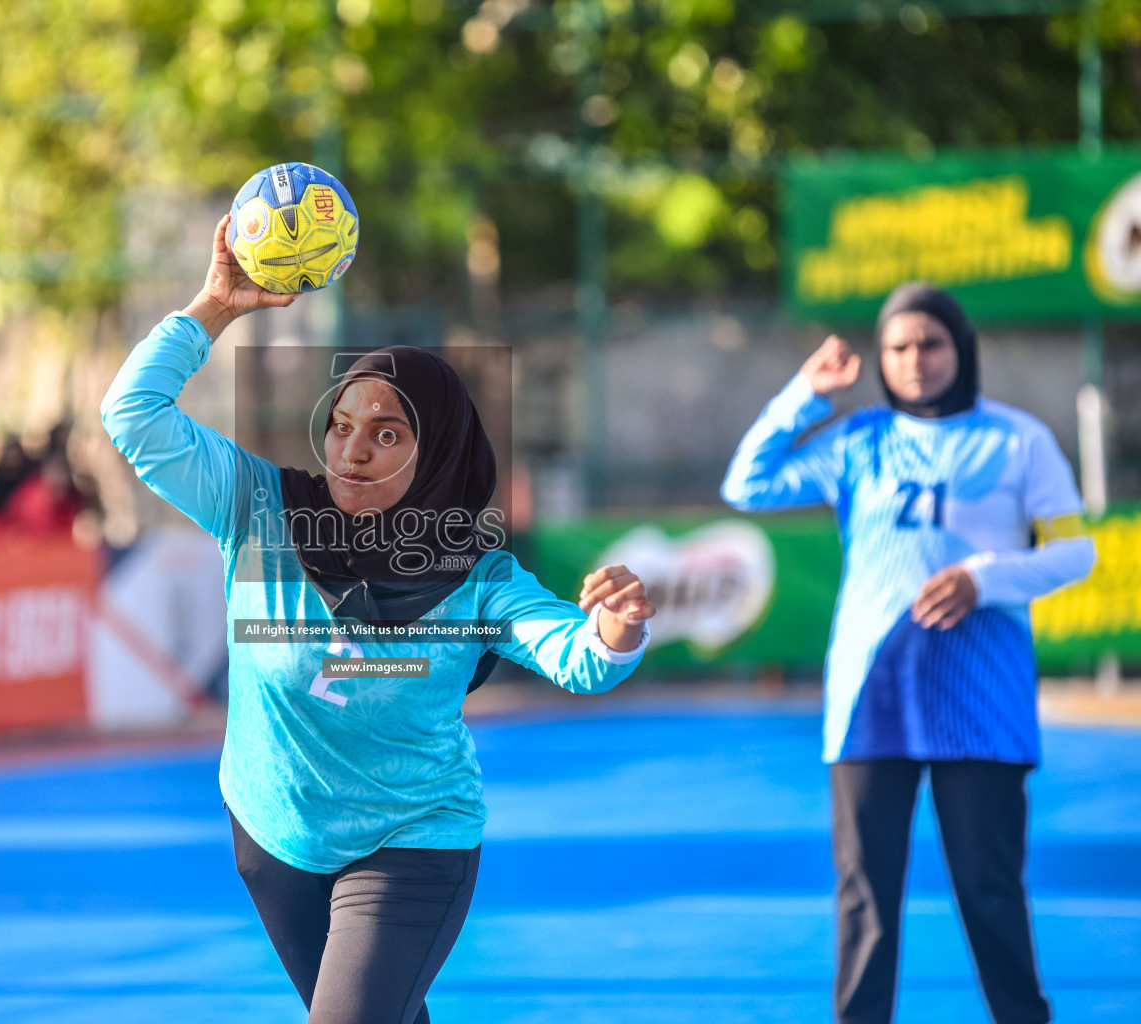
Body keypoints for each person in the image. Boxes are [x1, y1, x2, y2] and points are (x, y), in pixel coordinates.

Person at [101, 214, 656, 1024]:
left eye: (386, 433)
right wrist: (215, 306)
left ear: (433, 456)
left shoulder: (476, 573)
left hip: (412, 842)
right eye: (342, 424)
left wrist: (616, 629)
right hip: (273, 836)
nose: (352, 450)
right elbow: (132, 416)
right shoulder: (259, 508)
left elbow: (579, 654)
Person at [721, 283, 1096, 1024]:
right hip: (871, 694)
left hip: (981, 696)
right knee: (866, 896)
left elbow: (1075, 553)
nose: (915, 361)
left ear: (962, 349)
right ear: (881, 358)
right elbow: (746, 484)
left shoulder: (1018, 440)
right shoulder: (858, 439)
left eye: (931, 344)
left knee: (989, 889)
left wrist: (983, 576)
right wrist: (804, 394)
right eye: (898, 348)